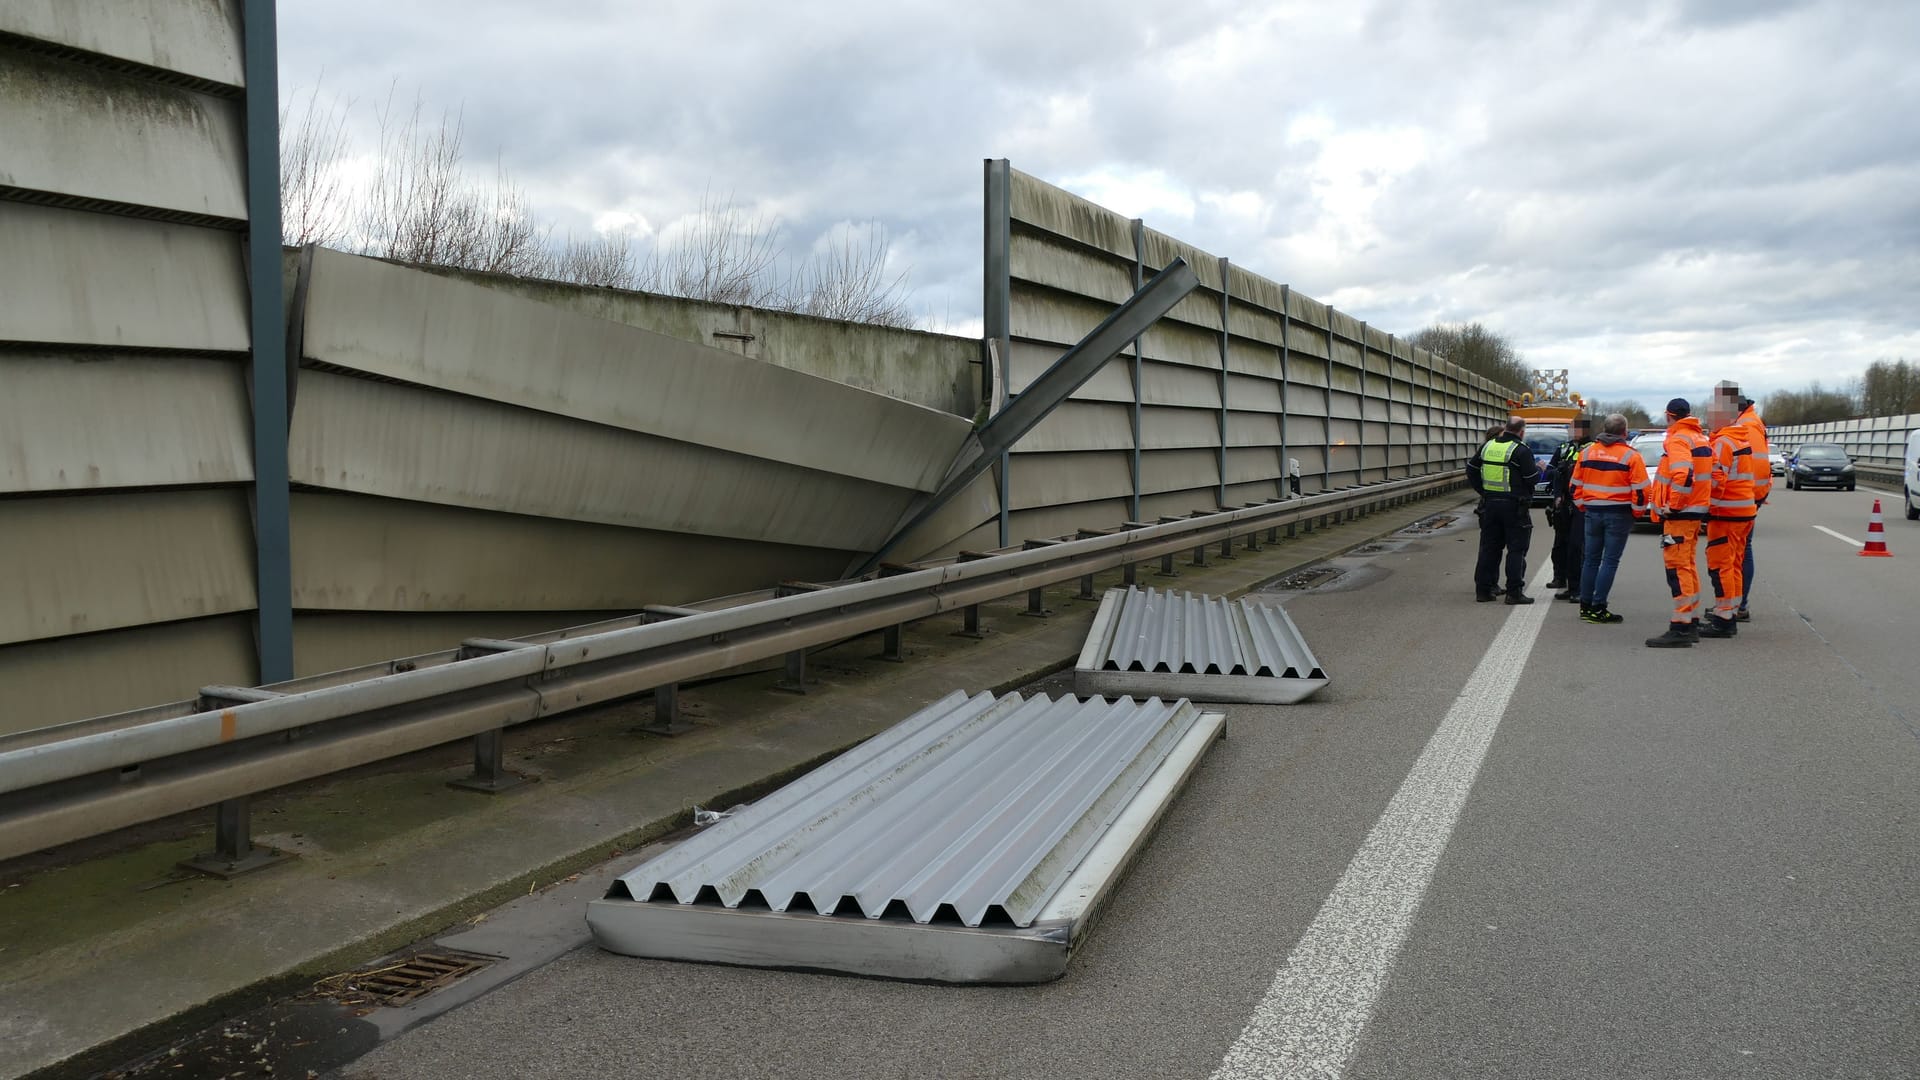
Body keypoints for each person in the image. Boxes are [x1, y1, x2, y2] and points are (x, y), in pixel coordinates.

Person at [1645, 398, 1712, 647]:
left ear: (1668, 415)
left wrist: (1673, 505)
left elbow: (1683, 474)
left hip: (1681, 514)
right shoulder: (1699, 438)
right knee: (1688, 565)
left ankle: (1682, 626)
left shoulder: (1679, 438)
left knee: (1677, 567)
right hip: (1695, 511)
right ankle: (1690, 620)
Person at [1571, 413, 1650, 623]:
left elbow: (1574, 486)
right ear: (1624, 432)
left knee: (1591, 560)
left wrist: (1582, 506)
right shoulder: (1631, 456)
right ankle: (1599, 606)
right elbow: (1641, 490)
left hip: (1591, 512)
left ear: (1605, 430)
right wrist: (1637, 512)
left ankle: (1586, 606)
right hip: (1619, 513)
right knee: (1610, 561)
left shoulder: (1587, 453)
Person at [1699, 385, 1760, 638]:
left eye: (1711, 415)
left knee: (1721, 565)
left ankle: (1724, 619)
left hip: (1727, 513)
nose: (1708, 418)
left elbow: (1717, 481)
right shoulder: (1739, 437)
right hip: (1743, 510)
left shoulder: (1723, 442)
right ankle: (1729, 613)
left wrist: (1703, 508)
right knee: (1733, 565)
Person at [1467, 418, 1540, 604]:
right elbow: (1532, 479)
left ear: (1506, 428)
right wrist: (1539, 469)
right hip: (1515, 506)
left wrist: (1483, 491)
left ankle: (1483, 591)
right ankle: (1514, 593)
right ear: (1522, 432)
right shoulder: (1521, 450)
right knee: (1516, 550)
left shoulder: (1488, 446)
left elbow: (1471, 469)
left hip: (1490, 504)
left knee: (1489, 549)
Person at [1731, 394, 1770, 621]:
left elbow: (1756, 466)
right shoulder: (1749, 422)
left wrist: (1752, 496)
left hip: (1744, 499)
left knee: (1742, 550)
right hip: (1748, 497)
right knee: (1739, 550)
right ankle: (1734, 603)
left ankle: (1738, 605)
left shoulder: (1747, 425)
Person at [1546, 416, 1594, 598]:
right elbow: (1551, 472)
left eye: (1576, 429)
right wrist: (1557, 494)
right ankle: (1560, 577)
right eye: (1571, 428)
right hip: (1563, 502)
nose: (1572, 432)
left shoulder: (1592, 449)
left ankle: (1577, 588)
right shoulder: (1563, 448)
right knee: (1560, 543)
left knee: (1577, 545)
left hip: (1582, 503)